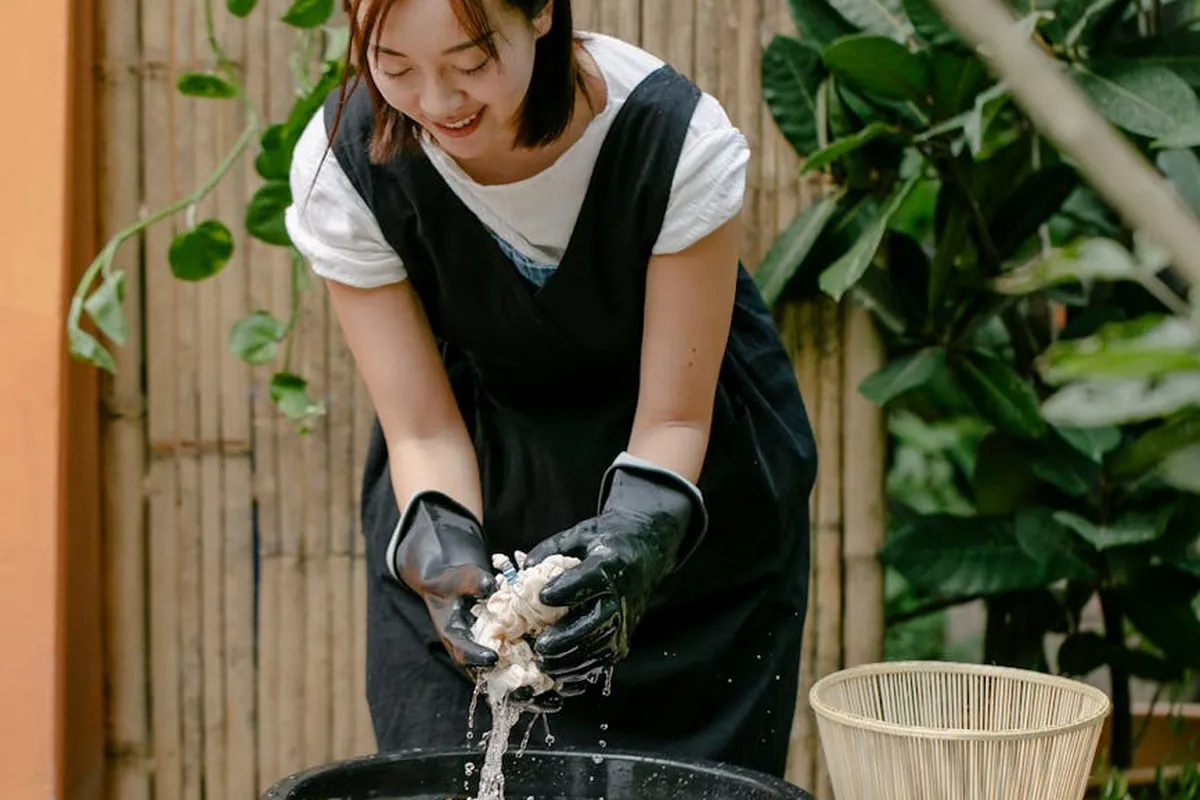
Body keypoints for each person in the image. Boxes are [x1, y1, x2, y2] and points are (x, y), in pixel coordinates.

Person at [284, 0, 818, 779]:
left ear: (541, 11)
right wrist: (443, 556)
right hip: (479, 465)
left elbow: (673, 417)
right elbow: (423, 433)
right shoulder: (347, 164)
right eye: (393, 66)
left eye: (470, 63)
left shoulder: (673, 140)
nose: (436, 103)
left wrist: (640, 537)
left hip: (687, 484)